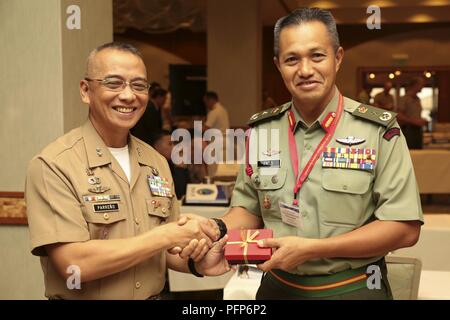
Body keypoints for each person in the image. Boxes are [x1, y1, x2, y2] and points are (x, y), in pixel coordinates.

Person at [192, 8, 423, 300]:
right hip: (278, 289)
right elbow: (248, 209)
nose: (305, 70)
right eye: (292, 59)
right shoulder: (263, 131)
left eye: (317, 56)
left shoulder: (378, 131)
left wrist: (313, 248)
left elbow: (404, 229)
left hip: (352, 289)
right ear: (278, 65)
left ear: (338, 58)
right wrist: (217, 227)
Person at [25, 42, 229, 300]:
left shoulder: (155, 162)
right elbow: (73, 264)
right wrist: (165, 235)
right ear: (86, 90)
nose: (129, 95)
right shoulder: (55, 165)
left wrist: (196, 264)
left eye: (139, 85)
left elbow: (163, 251)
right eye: (114, 83)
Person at [150, 130, 191, 199]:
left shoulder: (169, 164)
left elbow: (189, 191)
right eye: (170, 144)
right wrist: (180, 168)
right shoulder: (151, 167)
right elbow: (177, 194)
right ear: (156, 146)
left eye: (174, 144)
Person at [397, 77, 428, 149]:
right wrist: (414, 121)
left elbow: (414, 115)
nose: (423, 87)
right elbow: (399, 115)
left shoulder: (418, 99)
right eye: (421, 85)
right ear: (415, 85)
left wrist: (421, 120)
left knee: (418, 154)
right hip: (408, 131)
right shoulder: (404, 99)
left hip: (418, 130)